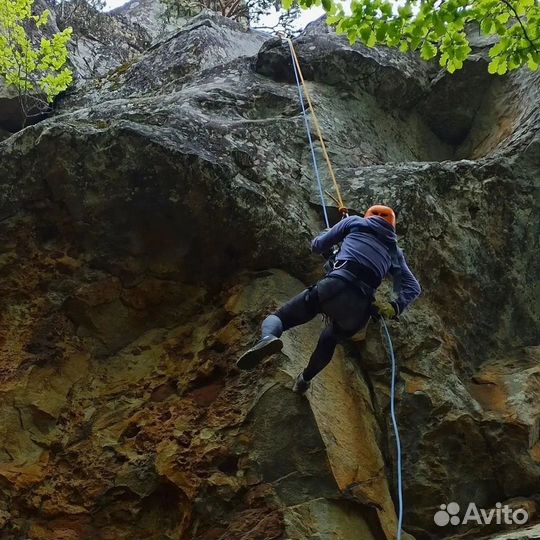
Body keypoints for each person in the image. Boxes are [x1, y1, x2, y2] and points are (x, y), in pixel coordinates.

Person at [236, 205, 421, 394]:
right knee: (329, 340)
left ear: (368, 215)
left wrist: (332, 237)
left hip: (336, 285)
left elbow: (317, 246)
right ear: (392, 225)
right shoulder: (394, 251)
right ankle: (304, 380)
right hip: (359, 308)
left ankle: (268, 338)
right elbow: (413, 287)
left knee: (282, 318)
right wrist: (394, 307)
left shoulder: (354, 222)